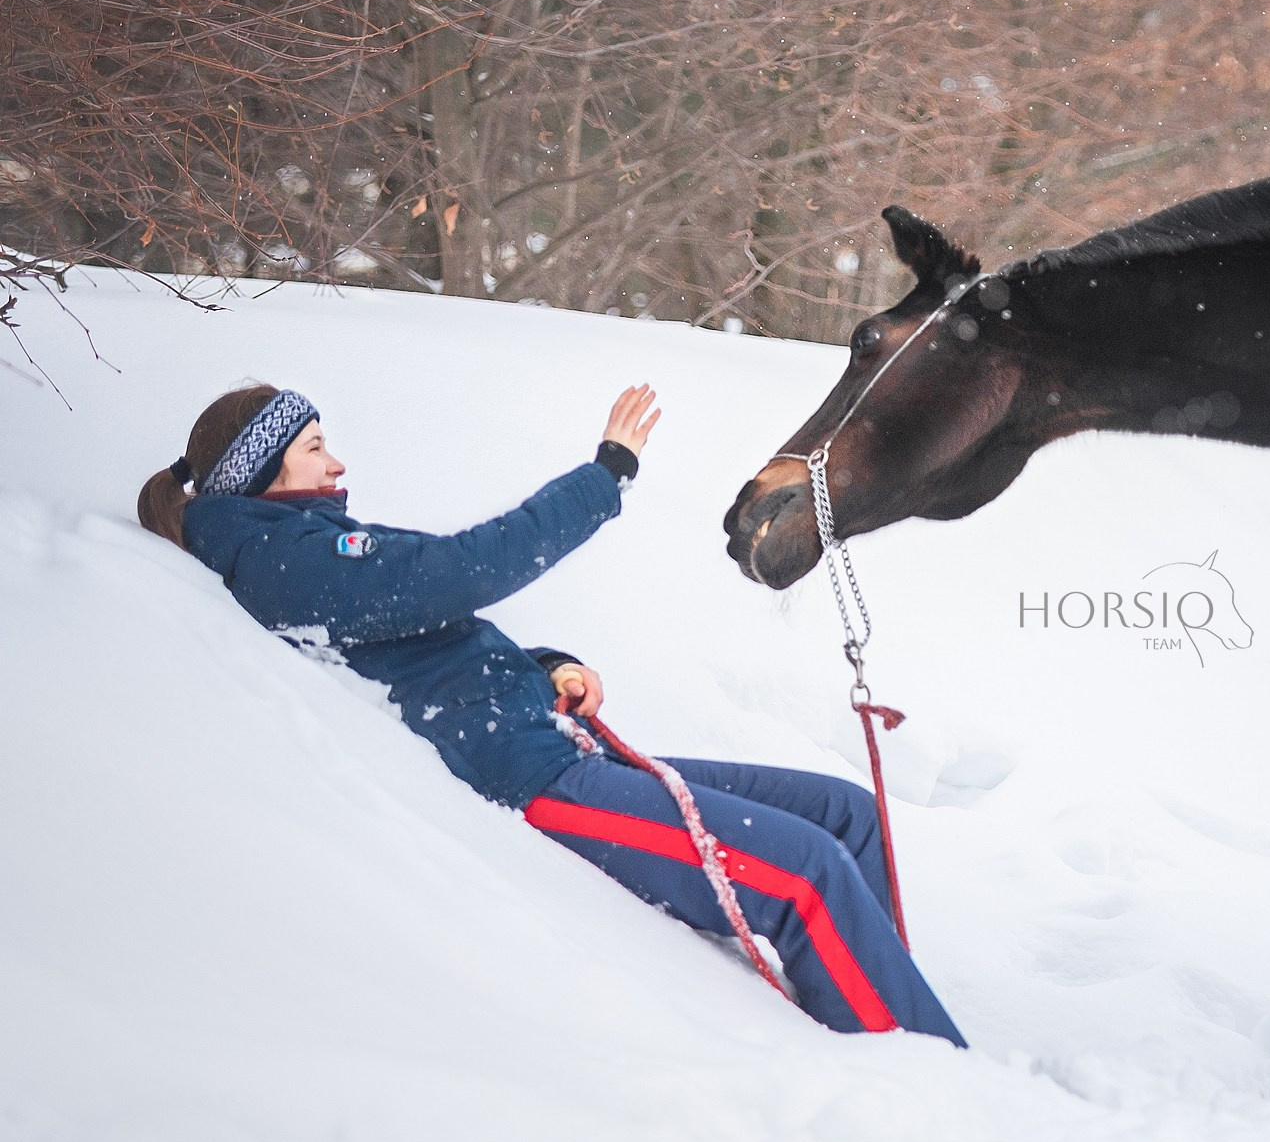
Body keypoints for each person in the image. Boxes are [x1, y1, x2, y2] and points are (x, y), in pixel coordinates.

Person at [138, 383, 964, 1046]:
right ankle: (928, 1081)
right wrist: (603, 476)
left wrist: (545, 667)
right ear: (261, 474)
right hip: (530, 780)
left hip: (552, 741)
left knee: (845, 813)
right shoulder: (287, 560)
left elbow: (423, 638)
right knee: (807, 870)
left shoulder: (308, 549)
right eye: (315, 448)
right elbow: (460, 572)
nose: (337, 462)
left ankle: (887, 1010)